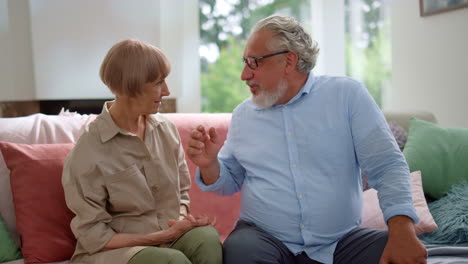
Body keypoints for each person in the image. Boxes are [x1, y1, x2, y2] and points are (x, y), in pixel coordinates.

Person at [187, 15, 427, 264]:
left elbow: (387, 166)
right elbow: (229, 180)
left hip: (340, 243)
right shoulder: (243, 116)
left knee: (403, 255)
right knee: (241, 251)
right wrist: (209, 164)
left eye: (253, 62)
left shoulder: (347, 96)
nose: (244, 74)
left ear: (289, 60)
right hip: (263, 239)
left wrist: (401, 229)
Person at [62, 39, 222, 264]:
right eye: (158, 83)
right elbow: (92, 235)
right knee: (171, 261)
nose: (166, 91)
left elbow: (182, 193)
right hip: (112, 252)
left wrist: (182, 221)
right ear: (131, 87)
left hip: (165, 240)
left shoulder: (166, 131)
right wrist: (160, 236)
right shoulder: (89, 150)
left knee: (207, 239)